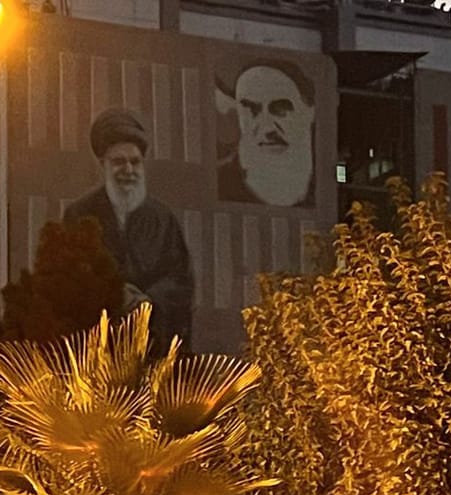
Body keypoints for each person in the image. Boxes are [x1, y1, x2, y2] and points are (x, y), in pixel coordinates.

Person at [62, 107, 196, 353]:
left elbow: (180, 280)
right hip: (97, 349)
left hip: (152, 344)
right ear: (103, 165)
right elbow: (69, 276)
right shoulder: (79, 215)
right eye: (119, 162)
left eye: (135, 162)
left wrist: (147, 301)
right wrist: (115, 294)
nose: (128, 170)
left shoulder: (163, 219)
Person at [216, 62, 317, 208]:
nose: (267, 127)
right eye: (251, 110)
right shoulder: (219, 181)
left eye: (280, 109)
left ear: (310, 111)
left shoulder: (327, 189)